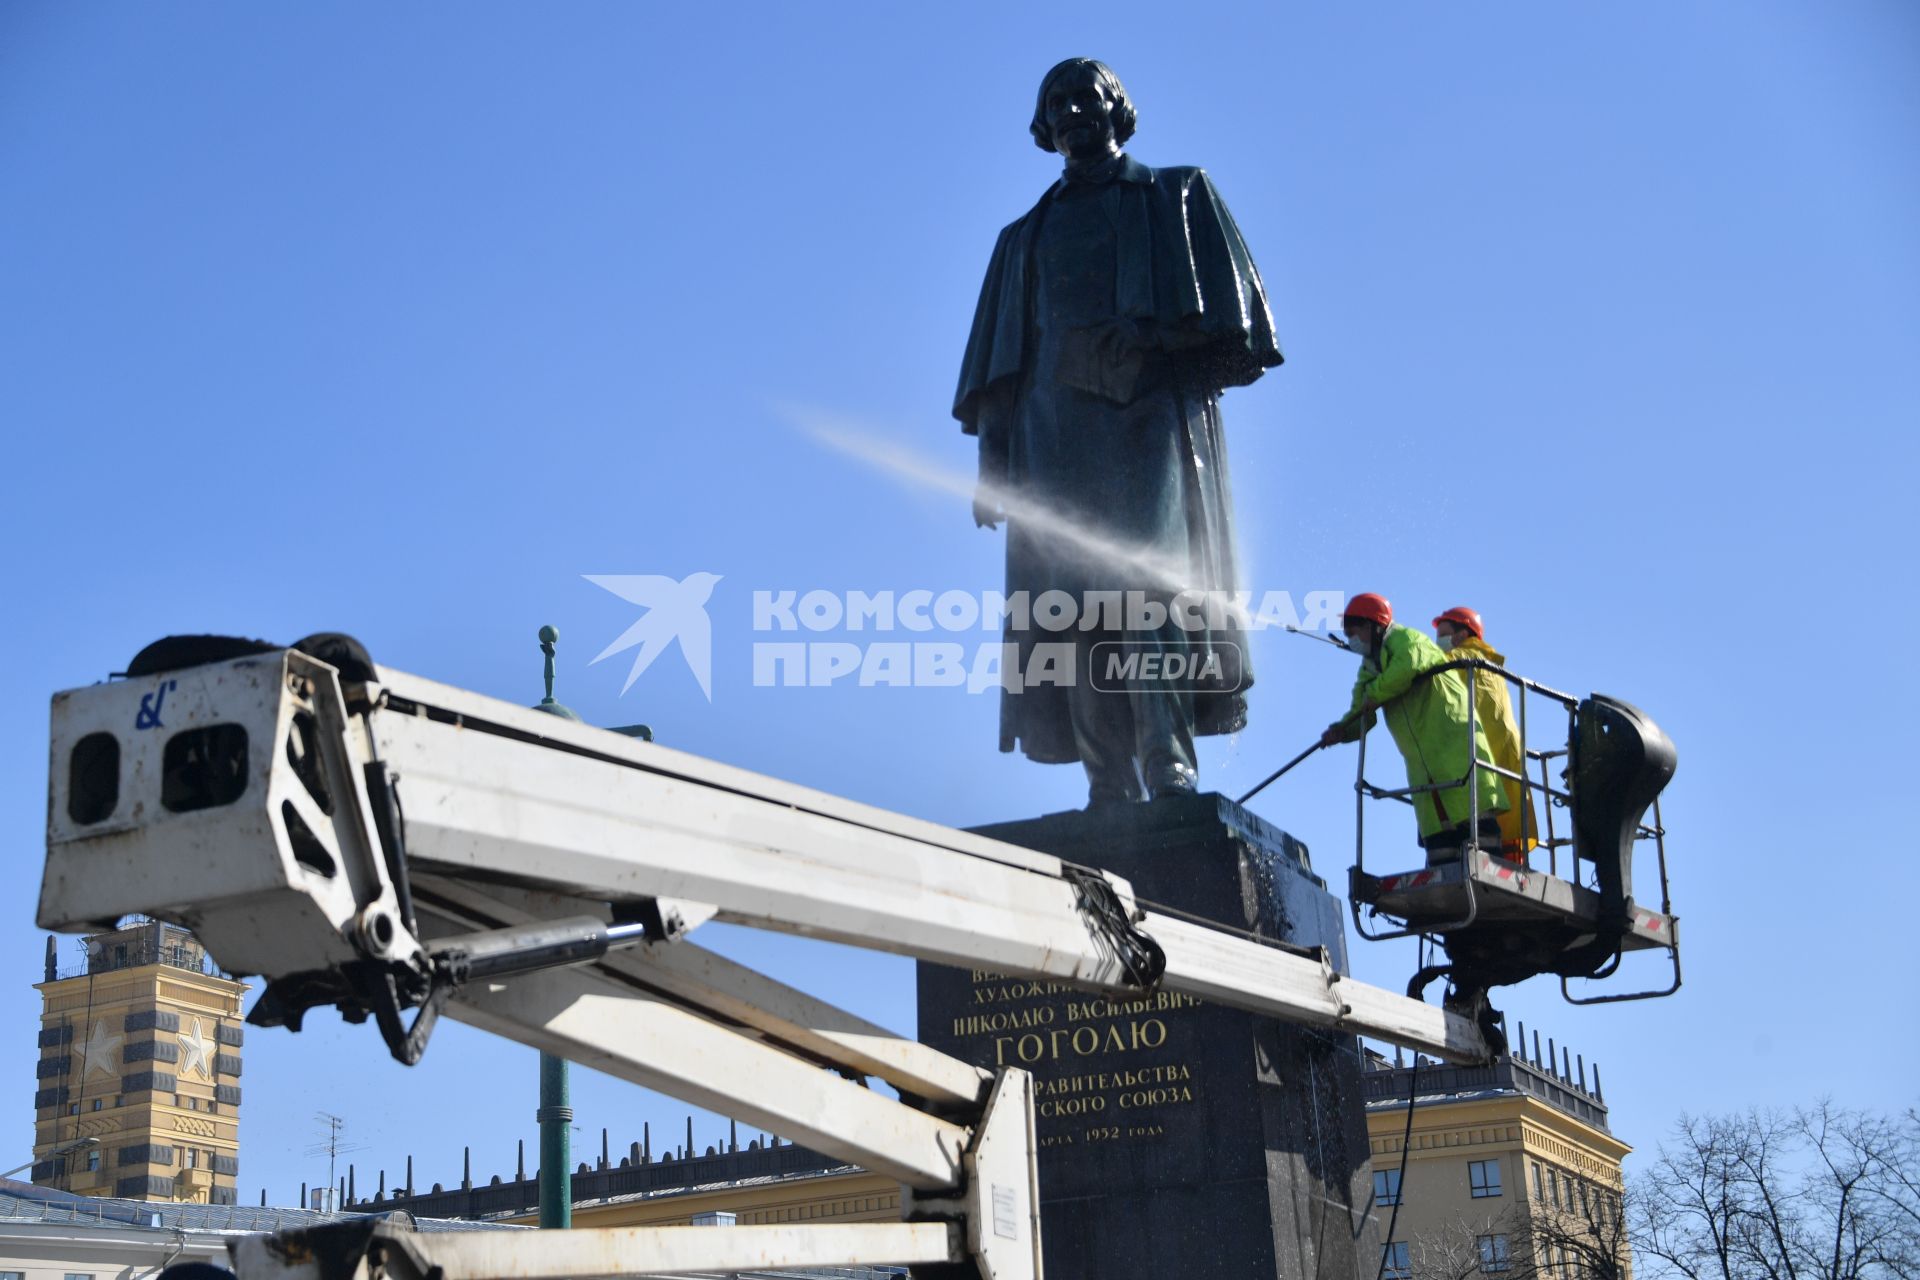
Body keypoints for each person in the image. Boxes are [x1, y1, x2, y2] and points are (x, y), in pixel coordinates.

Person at [954, 57, 1283, 806]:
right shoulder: (1021, 239)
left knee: (1149, 594)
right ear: (1043, 125)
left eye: (1087, 97)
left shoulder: (1174, 194)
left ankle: (1166, 761)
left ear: (1117, 109)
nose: (1073, 110)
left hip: (1145, 432)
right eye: (1058, 101)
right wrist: (991, 467)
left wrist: (1147, 343)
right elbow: (998, 370)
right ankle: (1107, 782)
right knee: (1069, 611)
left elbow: (1238, 335)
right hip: (1051, 439)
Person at [1319, 593, 1507, 858]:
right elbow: (1361, 708)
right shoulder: (1370, 667)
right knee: (1439, 840)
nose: (1352, 639)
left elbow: (1404, 671)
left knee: (1474, 816)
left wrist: (1373, 694)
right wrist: (1342, 730)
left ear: (1374, 625)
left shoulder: (1408, 640)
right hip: (1421, 758)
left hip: (1452, 739)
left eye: (1354, 631)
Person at [1432, 606, 1539, 864]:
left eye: (1444, 634)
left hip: (1475, 767)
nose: (1439, 642)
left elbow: (1426, 670)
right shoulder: (1488, 666)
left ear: (1463, 633)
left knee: (1472, 831)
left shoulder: (1465, 659)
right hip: (1497, 764)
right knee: (1498, 835)